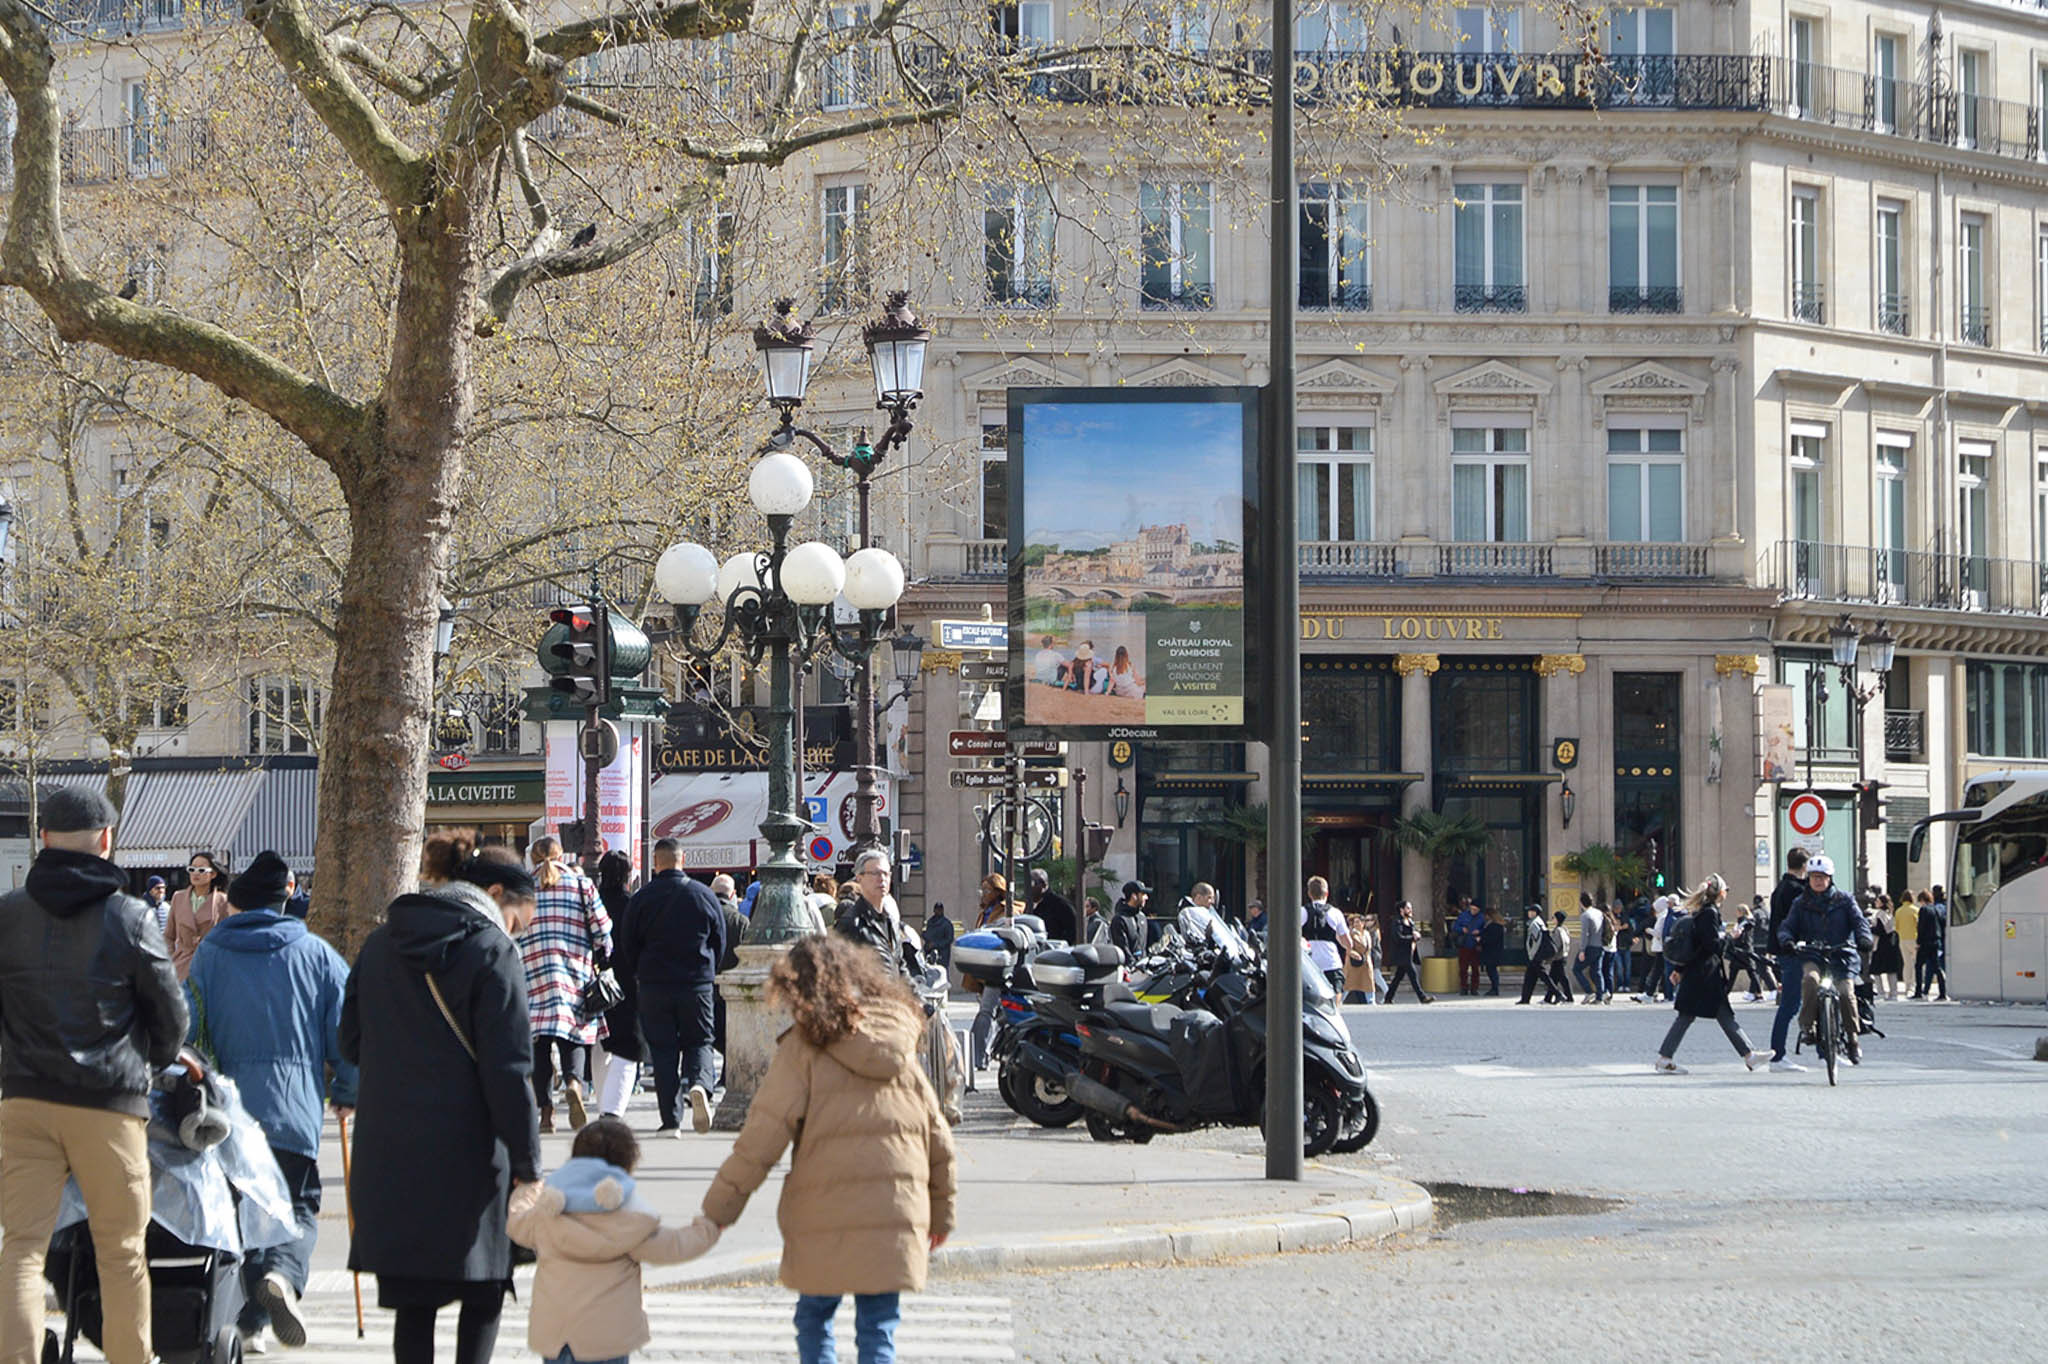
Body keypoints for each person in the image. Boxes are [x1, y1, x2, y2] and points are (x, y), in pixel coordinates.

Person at [702, 935, 956, 1364]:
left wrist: (719, 1211)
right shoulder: (899, 1042)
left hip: (824, 1212)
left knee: (815, 1317)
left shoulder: (804, 1048)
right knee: (878, 1327)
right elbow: (938, 1137)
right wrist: (941, 1212)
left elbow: (759, 1142)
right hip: (896, 1209)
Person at [0, 787, 188, 1364]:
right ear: (107, 841)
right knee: (122, 1252)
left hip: (25, 1097)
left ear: (44, 839)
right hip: (109, 1103)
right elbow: (171, 1015)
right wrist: (152, 1066)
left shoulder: (7, 912)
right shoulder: (129, 916)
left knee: (22, 1250)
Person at [341, 833, 542, 1364]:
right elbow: (509, 1070)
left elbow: (349, 1042)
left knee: (414, 1306)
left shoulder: (381, 943)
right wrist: (529, 1165)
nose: (519, 931)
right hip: (470, 1156)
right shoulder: (493, 950)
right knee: (483, 1292)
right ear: (497, 893)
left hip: (389, 1152)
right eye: (521, 918)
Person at [184, 850, 355, 1351]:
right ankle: (279, 1279)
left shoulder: (211, 952)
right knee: (296, 1207)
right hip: (294, 1109)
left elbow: (189, 1027)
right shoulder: (316, 954)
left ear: (234, 904)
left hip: (227, 1113)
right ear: (286, 897)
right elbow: (347, 1033)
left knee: (237, 1210)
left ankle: (247, 1322)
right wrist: (347, 1090)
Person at [507, 1118, 720, 1364]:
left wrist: (529, 1188)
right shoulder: (628, 1222)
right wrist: (710, 1227)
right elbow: (676, 1246)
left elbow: (517, 1221)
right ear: (627, 1165)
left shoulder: (547, 1213)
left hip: (556, 1335)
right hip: (607, 1340)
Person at [617, 839, 726, 1137]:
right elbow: (719, 939)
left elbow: (628, 942)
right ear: (683, 859)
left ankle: (670, 1121)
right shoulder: (703, 894)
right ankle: (699, 1085)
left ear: (656, 862)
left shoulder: (642, 898)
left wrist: (642, 970)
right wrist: (708, 969)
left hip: (655, 984)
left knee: (663, 1050)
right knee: (700, 1041)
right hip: (696, 982)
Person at [523, 838, 613, 1134]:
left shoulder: (522, 888)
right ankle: (574, 1082)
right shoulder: (580, 884)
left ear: (533, 858)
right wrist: (603, 948)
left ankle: (546, 1112)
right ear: (562, 855)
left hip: (532, 971)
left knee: (539, 1042)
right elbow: (602, 928)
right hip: (573, 969)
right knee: (573, 1034)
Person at [1652, 875, 1766, 1074]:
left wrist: (1680, 970)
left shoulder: (1702, 912)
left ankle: (1749, 1055)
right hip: (1705, 975)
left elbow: (1696, 944)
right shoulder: (1710, 914)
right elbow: (1712, 945)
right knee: (1704, 1015)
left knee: (1704, 1015)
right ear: (1721, 893)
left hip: (1699, 973)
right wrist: (1731, 937)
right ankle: (1749, 1056)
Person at [1777, 854, 1876, 1066]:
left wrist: (1864, 939)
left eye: (1822, 877)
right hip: (1813, 954)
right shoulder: (1800, 902)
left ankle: (1852, 1039)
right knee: (1810, 980)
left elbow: (1859, 922)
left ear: (1830, 878)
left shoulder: (1845, 900)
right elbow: (1787, 926)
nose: (1818, 881)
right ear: (1809, 879)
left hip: (1842, 955)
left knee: (1845, 993)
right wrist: (1787, 940)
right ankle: (1808, 1028)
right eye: (1814, 877)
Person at [592, 851, 646, 1121]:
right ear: (628, 875)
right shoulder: (633, 905)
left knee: (599, 1042)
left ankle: (602, 1099)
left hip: (593, 982)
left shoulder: (593, 902)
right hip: (626, 983)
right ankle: (612, 1110)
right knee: (628, 1046)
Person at [1765, 846, 1811, 1071]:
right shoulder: (1795, 890)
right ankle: (1778, 1055)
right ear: (1804, 866)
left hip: (1784, 950)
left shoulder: (1780, 888)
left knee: (1793, 1003)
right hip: (1793, 951)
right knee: (1790, 1005)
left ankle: (1822, 1049)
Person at [836, 848, 912, 977]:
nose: (882, 879)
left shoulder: (891, 922)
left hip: (893, 995)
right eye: (875, 873)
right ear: (859, 878)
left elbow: (900, 967)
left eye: (886, 874)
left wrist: (916, 996)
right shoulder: (852, 923)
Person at [168, 849, 230, 980]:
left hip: (212, 965)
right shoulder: (178, 898)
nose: (196, 874)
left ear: (213, 874)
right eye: (192, 869)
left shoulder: (223, 901)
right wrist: (171, 957)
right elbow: (169, 935)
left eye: (201, 870)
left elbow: (229, 936)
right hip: (181, 965)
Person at [1301, 877, 1353, 996]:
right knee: (1336, 992)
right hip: (1331, 961)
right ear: (1327, 893)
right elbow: (1347, 941)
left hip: (1308, 962)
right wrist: (1348, 951)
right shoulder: (1335, 913)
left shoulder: (1301, 912)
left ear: (1309, 894)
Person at [1180, 882, 1251, 963]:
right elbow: (1197, 938)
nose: (1212, 902)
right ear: (1198, 897)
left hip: (1227, 955)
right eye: (1209, 898)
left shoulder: (1209, 910)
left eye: (1213, 898)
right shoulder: (1189, 913)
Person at [1382, 900, 1432, 1003]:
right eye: (1408, 908)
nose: (1410, 910)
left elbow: (1413, 934)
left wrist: (1416, 936)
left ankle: (1388, 998)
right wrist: (1412, 937)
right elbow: (1397, 937)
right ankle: (1422, 997)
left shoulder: (1410, 921)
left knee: (1398, 977)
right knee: (1413, 975)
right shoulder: (1397, 922)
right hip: (1401, 954)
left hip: (1409, 953)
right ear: (1402, 909)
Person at [1866, 892, 1905, 1001]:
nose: (1875, 902)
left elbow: (1880, 930)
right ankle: (1893, 993)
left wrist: (1869, 928)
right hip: (1891, 943)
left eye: (1878, 901)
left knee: (1876, 969)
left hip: (1881, 944)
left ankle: (1881, 991)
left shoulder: (1879, 914)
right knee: (1891, 969)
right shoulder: (1890, 913)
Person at [1516, 903, 1556, 1004]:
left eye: (1530, 911)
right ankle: (1525, 998)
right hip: (1536, 955)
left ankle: (1558, 994)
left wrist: (1532, 954)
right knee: (1530, 977)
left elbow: (1535, 941)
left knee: (1544, 977)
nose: (1528, 913)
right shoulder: (1539, 922)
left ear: (1534, 912)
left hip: (1536, 956)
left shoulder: (1534, 924)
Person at [1026, 867, 1079, 944]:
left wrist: (1059, 946)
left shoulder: (1060, 904)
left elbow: (1074, 929)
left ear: (1043, 885)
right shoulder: (1029, 905)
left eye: (1032, 884)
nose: (1029, 888)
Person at [1913, 888, 1949, 1000]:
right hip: (1935, 941)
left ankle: (1918, 992)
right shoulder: (1936, 909)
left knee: (1918, 966)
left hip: (1925, 942)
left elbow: (1921, 927)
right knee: (1937, 968)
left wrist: (1918, 942)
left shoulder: (1924, 910)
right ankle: (1942, 992)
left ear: (1923, 900)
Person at [1108, 881, 1152, 962]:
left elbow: (1144, 947)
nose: (1146, 897)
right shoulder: (1119, 920)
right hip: (1128, 970)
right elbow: (1123, 948)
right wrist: (1133, 966)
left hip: (1144, 967)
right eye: (1143, 894)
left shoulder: (1142, 917)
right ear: (1134, 896)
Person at [1575, 893, 1608, 1003]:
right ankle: (1601, 995)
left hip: (1590, 947)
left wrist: (1582, 950)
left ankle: (1589, 991)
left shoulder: (1585, 916)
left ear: (1581, 903)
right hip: (1600, 945)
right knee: (1597, 971)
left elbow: (1585, 934)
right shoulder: (1598, 913)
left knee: (1576, 969)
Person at [1451, 896, 1484, 996]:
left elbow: (1485, 930)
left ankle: (1474, 988)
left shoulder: (1481, 917)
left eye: (1476, 910)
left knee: (1475, 968)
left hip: (1475, 945)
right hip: (1464, 944)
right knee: (1463, 968)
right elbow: (1455, 927)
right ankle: (1463, 987)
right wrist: (1462, 929)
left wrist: (1479, 932)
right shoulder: (1463, 916)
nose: (1473, 911)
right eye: (1472, 909)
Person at [1342, 914, 1379, 1004]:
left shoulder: (1366, 933)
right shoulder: (1350, 933)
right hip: (1353, 962)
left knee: (1369, 982)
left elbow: (1369, 947)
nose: (1356, 924)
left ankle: (1371, 1001)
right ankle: (1339, 1001)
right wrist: (1352, 953)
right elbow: (1346, 946)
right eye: (1355, 922)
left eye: (1358, 922)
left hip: (1365, 961)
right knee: (1348, 983)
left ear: (1363, 923)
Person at [1546, 911, 1576, 1004]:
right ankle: (1548, 998)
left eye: (1554, 918)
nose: (1552, 919)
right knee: (1554, 978)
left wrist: (1550, 956)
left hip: (1558, 957)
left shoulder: (1558, 930)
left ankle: (1569, 997)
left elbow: (1555, 945)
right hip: (1562, 956)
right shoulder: (1564, 929)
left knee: (1562, 978)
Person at [1479, 907, 1506, 997]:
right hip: (1494, 951)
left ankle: (1495, 988)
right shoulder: (1496, 925)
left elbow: (1490, 939)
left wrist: (1481, 939)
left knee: (1491, 970)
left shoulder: (1494, 926)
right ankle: (1494, 987)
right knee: (1491, 969)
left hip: (1492, 952)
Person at [922, 901, 955, 970]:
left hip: (942, 955)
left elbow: (949, 939)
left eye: (940, 909)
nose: (938, 911)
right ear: (934, 910)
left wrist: (935, 944)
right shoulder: (930, 922)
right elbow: (929, 934)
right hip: (930, 953)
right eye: (937, 909)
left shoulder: (947, 924)